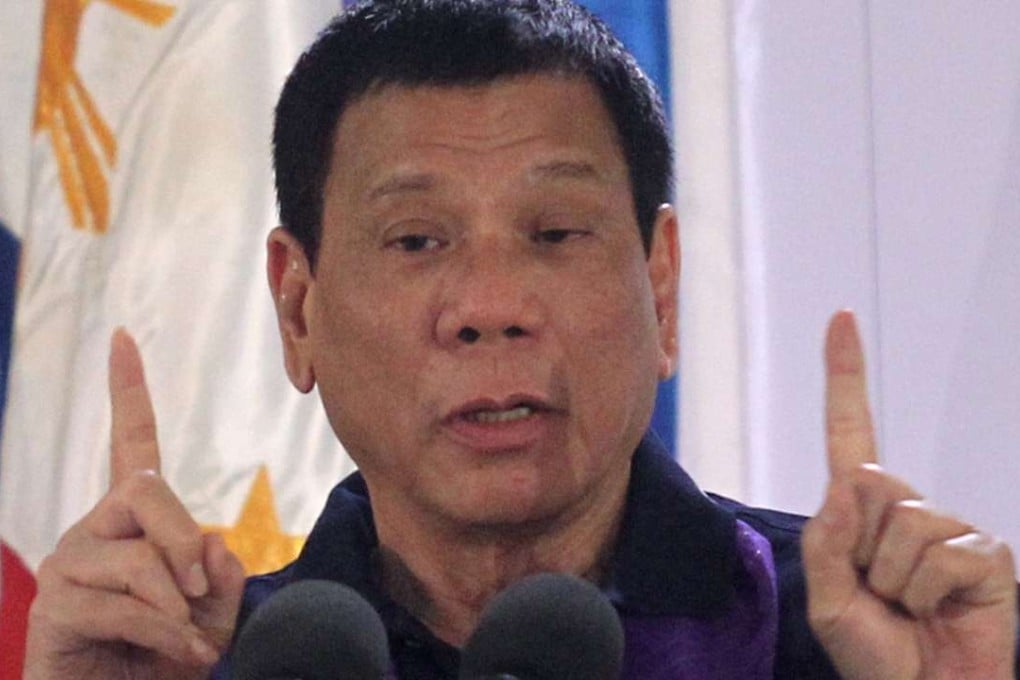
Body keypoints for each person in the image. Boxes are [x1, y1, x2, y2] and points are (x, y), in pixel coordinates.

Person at [24, 1, 1019, 678]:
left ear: (660, 285)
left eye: (553, 233)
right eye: (417, 239)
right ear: (298, 308)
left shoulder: (858, 639)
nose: (491, 303)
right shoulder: (214, 661)